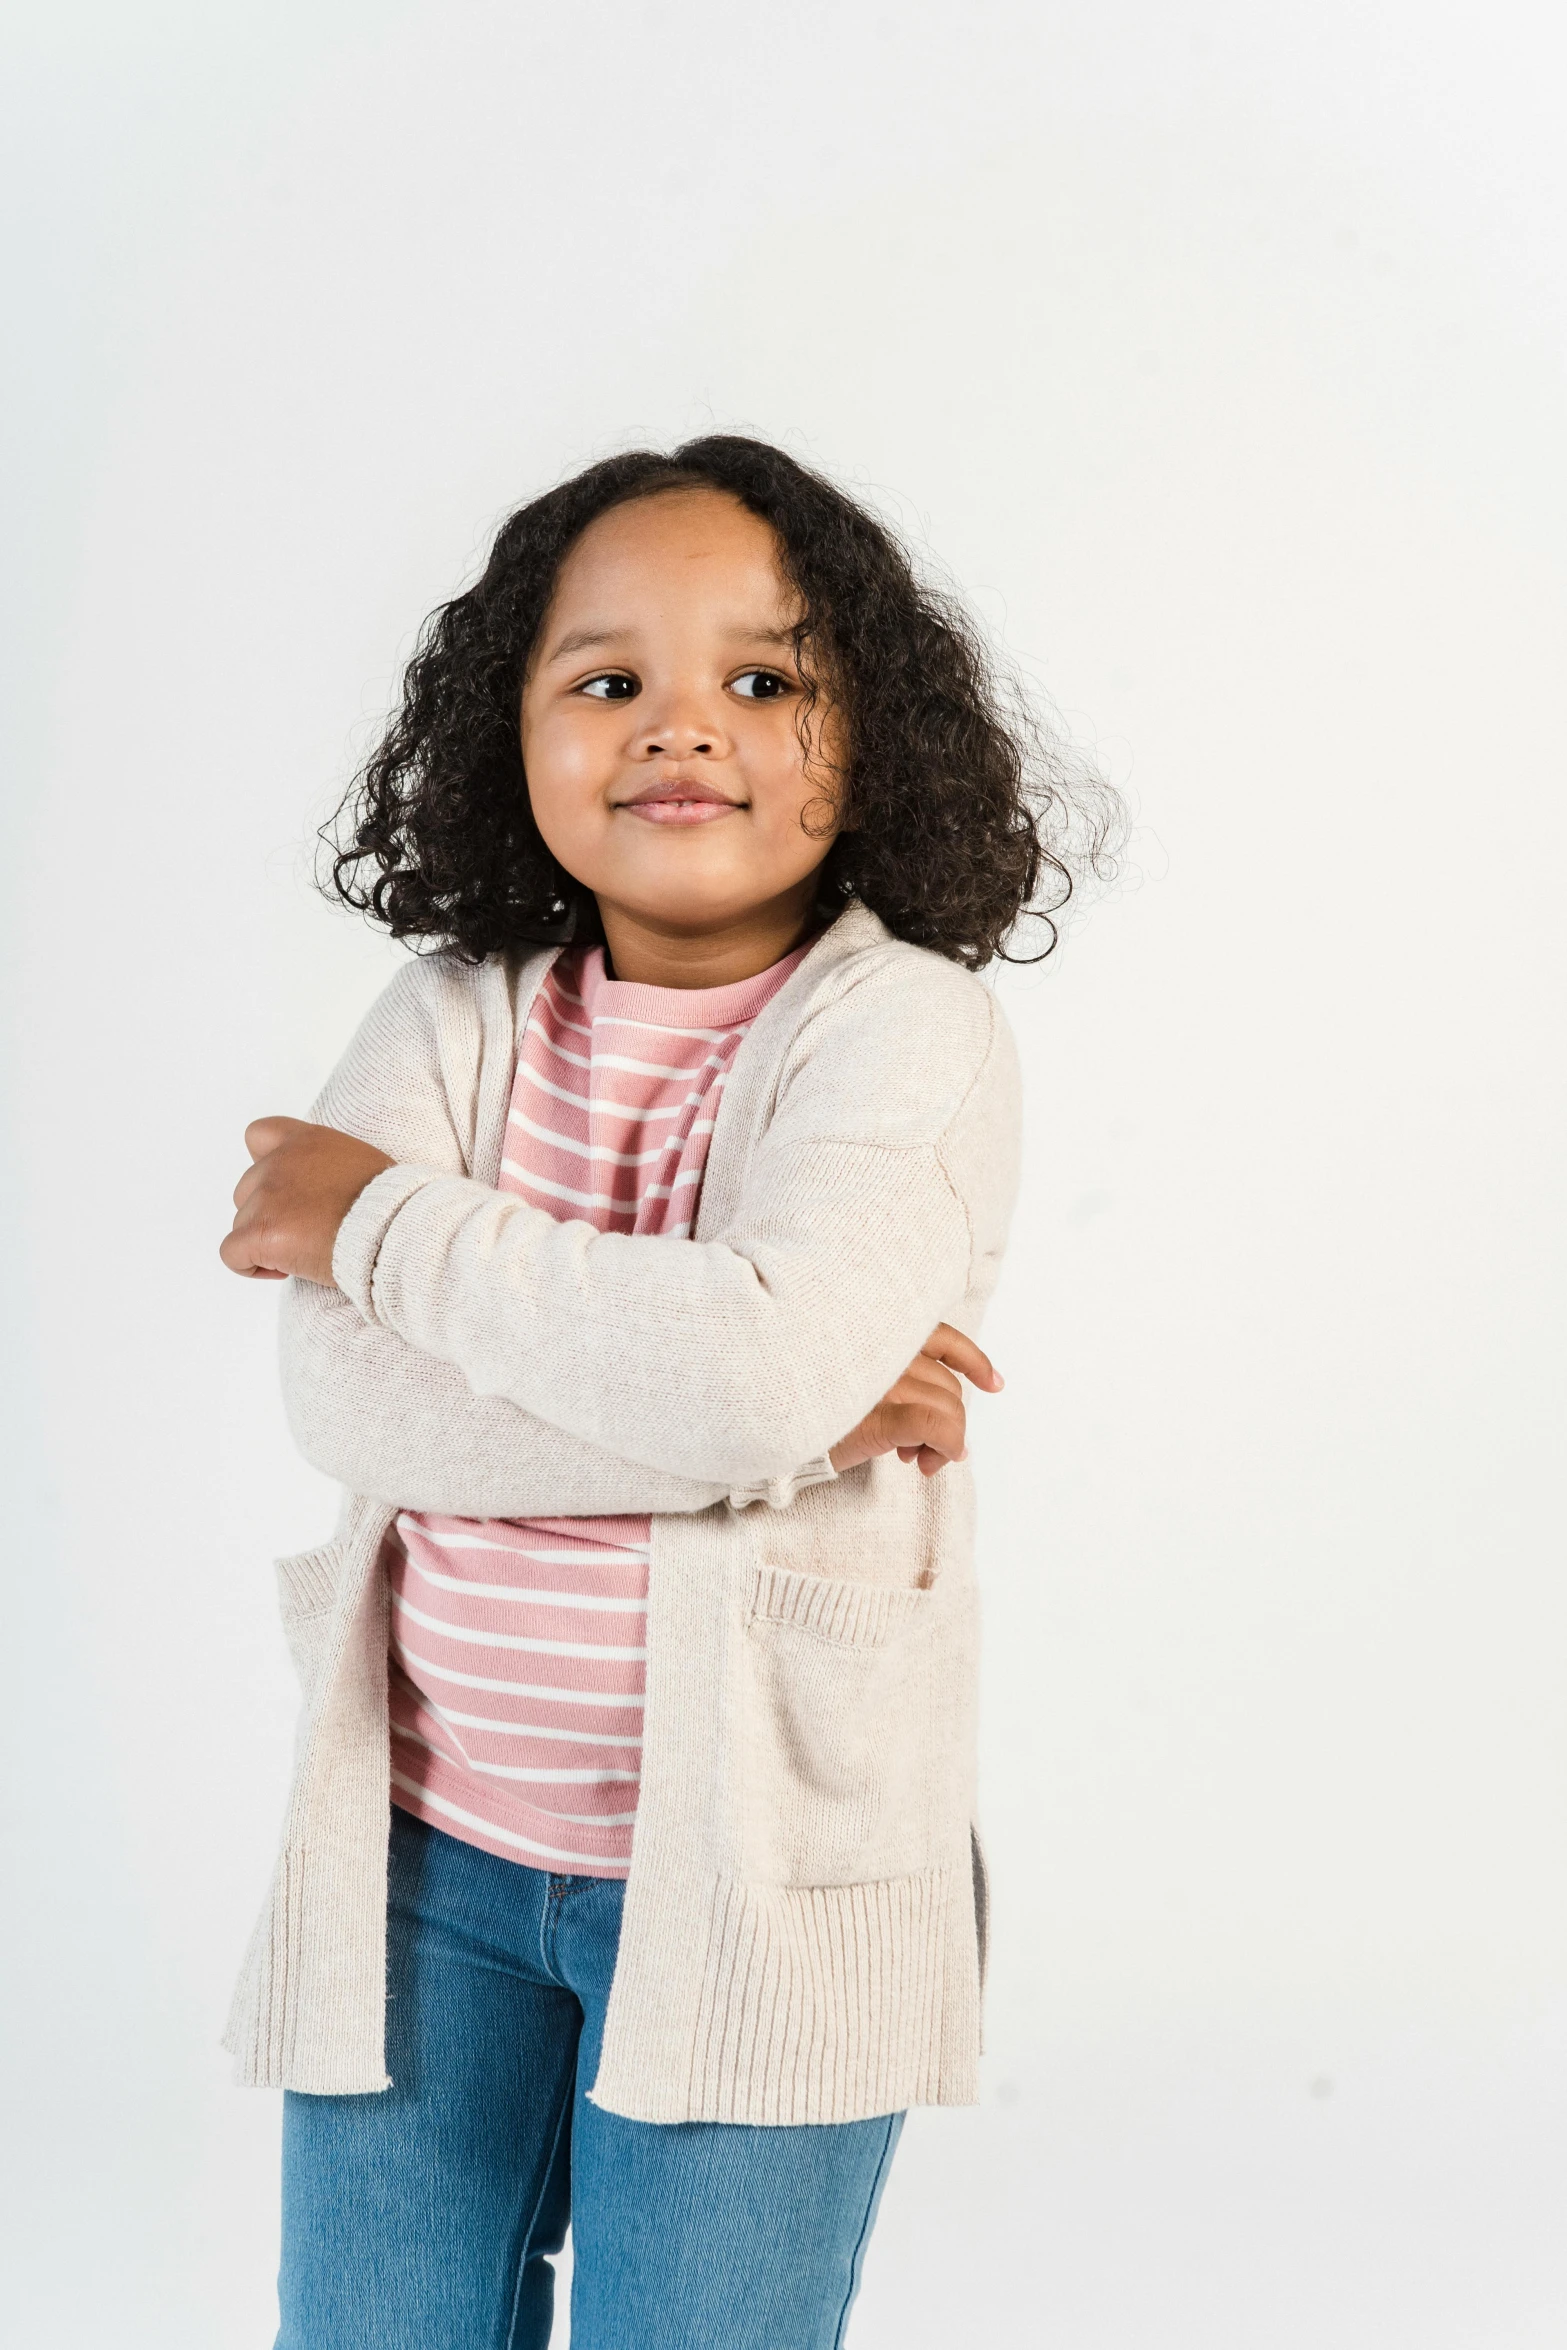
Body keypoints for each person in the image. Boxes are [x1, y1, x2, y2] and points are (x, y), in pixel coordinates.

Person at [220, 435, 1110, 2349]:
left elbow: (742, 1369)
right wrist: (760, 1401)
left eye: (765, 680)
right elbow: (349, 1403)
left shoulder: (905, 1034)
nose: (678, 727)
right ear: (506, 735)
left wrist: (375, 1219)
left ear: (873, 734)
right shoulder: (454, 1013)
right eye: (607, 679)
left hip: (766, 1878)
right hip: (428, 1856)